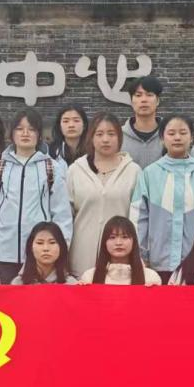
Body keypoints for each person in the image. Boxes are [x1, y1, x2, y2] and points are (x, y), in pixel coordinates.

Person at [0, 109, 73, 284]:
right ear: (12, 134)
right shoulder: (0, 167)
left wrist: (61, 248)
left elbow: (62, 214)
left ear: (39, 134)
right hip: (4, 254)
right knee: (7, 300)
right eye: (20, 129)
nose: (25, 133)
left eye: (31, 129)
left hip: (41, 254)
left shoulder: (51, 168)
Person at [131, 115, 194, 283]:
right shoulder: (149, 174)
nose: (177, 137)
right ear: (162, 138)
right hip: (157, 264)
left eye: (183, 133)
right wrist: (140, 254)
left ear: (192, 137)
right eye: (171, 133)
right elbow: (139, 218)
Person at [66, 112, 141, 279]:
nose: (105, 139)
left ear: (120, 137)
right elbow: (66, 216)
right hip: (82, 253)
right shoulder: (75, 170)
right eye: (99, 134)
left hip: (120, 259)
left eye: (111, 134)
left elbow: (138, 217)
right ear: (91, 138)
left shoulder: (133, 171)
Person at [78, 215, 162, 285]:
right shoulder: (89, 277)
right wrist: (79, 292)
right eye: (112, 237)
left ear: (134, 241)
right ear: (104, 242)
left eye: (125, 237)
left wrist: (154, 292)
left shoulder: (150, 277)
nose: (118, 243)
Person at [120, 75, 165, 170]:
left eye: (149, 95)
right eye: (138, 95)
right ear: (131, 101)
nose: (144, 100)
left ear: (157, 101)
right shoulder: (119, 136)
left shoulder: (169, 134)